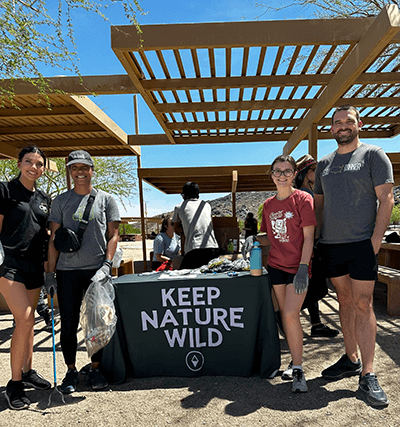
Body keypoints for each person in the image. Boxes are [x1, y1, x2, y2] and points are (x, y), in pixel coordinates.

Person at [314, 104, 394, 407]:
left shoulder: (374, 155)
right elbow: (319, 206)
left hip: (362, 243)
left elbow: (386, 199)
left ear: (359, 124)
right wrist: (316, 241)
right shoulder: (324, 164)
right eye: (337, 123)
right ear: (331, 129)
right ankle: (350, 358)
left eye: (348, 121)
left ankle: (368, 374)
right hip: (332, 245)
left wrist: (375, 241)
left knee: (363, 303)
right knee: (344, 301)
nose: (343, 126)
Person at [46, 150, 120, 395]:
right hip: (67, 271)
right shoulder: (60, 201)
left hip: (96, 272)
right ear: (69, 171)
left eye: (83, 167)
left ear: (91, 169)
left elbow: (113, 235)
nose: (79, 172)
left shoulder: (106, 200)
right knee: (68, 324)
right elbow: (54, 239)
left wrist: (107, 265)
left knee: (98, 324)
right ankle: (71, 370)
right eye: (74, 168)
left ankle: (96, 368)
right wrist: (50, 272)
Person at [257, 154, 316, 393]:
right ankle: (294, 360)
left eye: (287, 171)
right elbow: (267, 235)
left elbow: (309, 237)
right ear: (271, 175)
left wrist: (304, 268)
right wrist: (252, 239)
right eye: (277, 171)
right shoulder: (268, 205)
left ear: (294, 174)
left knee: (291, 313)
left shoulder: (303, 199)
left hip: (298, 267)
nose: (282, 175)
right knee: (286, 315)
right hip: (276, 266)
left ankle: (299, 369)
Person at [0, 146, 52, 410]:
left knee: (28, 325)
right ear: (19, 164)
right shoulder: (5, 191)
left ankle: (28, 371)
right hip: (10, 264)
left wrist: (50, 269)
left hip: (35, 268)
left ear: (44, 168)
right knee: (24, 317)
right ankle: (15, 384)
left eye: (39, 163)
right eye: (29, 161)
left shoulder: (44, 198)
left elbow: (45, 234)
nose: (34, 166)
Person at [172, 182, 219, 270]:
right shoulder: (206, 205)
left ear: (184, 195)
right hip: (212, 248)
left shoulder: (179, 207)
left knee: (185, 277)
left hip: (194, 249)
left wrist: (183, 232)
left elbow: (176, 229)